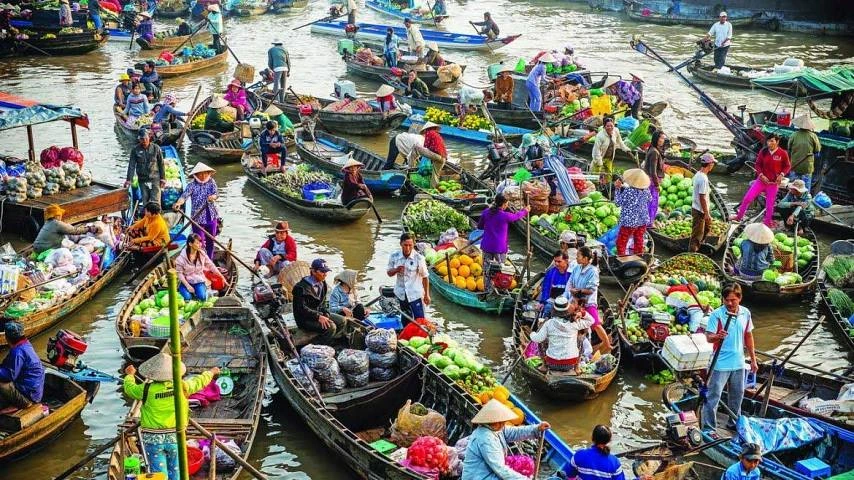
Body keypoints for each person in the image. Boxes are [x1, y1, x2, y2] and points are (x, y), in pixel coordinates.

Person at [123, 353, 219, 480]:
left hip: (153, 440)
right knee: (176, 472)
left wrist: (130, 375)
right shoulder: (181, 386)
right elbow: (198, 381)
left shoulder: (146, 389)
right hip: (175, 437)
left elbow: (130, 389)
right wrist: (211, 372)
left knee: (160, 475)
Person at [703, 283, 757, 430]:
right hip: (720, 363)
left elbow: (748, 336)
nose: (729, 303)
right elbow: (709, 337)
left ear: (739, 298)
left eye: (733, 300)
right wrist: (718, 336)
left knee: (737, 396)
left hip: (738, 362)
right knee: (713, 397)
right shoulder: (717, 315)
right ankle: (709, 428)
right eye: (726, 300)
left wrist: (753, 359)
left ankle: (733, 423)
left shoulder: (745, 313)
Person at [462, 399, 549, 480]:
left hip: (490, 469)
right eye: (501, 421)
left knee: (526, 463)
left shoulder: (496, 429)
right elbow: (501, 470)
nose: (503, 423)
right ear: (494, 422)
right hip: (480, 477)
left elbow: (515, 432)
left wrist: (537, 428)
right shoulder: (486, 439)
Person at [732, 134, 791, 227]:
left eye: (772, 141)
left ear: (777, 142)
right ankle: (739, 217)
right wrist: (761, 175)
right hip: (761, 181)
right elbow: (757, 165)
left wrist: (782, 174)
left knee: (770, 204)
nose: (769, 143)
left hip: (773, 183)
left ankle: (767, 222)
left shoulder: (783, 153)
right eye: (768, 141)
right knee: (747, 198)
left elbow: (787, 166)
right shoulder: (763, 151)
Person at [529, 296, 595, 372]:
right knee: (580, 339)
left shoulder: (549, 323)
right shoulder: (575, 323)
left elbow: (537, 339)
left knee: (541, 341)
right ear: (568, 309)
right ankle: (577, 367)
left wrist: (532, 334)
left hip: (552, 363)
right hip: (571, 364)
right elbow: (591, 321)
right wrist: (583, 313)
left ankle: (544, 366)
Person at [477, 194, 528, 292]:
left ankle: (488, 290)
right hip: (499, 249)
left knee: (487, 270)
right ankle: (500, 289)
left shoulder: (486, 212)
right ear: (504, 204)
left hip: (487, 246)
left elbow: (480, 226)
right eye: (507, 203)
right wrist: (525, 211)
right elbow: (517, 216)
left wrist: (489, 227)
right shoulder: (505, 216)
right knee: (501, 270)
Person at [565, 246, 611, 353]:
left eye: (578, 256)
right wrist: (572, 291)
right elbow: (570, 282)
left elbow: (592, 289)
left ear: (585, 258)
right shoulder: (577, 268)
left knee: (595, 323)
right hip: (576, 299)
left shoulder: (593, 271)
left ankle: (607, 344)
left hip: (588, 301)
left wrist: (579, 291)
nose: (576, 258)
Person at [292, 258, 346, 344]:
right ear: (313, 271)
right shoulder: (300, 288)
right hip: (305, 319)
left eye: (326, 272)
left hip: (318, 313)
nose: (325, 275)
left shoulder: (322, 283)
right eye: (322, 272)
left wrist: (326, 314)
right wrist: (318, 317)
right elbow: (301, 309)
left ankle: (328, 339)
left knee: (342, 321)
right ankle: (316, 346)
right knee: (331, 327)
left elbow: (324, 303)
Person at [172, 163, 219, 258]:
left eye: (205, 173)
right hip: (197, 218)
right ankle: (200, 260)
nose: (203, 176)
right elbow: (184, 196)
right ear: (196, 175)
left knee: (211, 240)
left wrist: (212, 197)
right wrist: (178, 203)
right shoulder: (192, 185)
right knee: (198, 243)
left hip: (211, 216)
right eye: (200, 174)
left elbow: (216, 194)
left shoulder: (211, 182)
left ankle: (209, 260)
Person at [0, 321, 45, 410]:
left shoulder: (17, 352)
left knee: (2, 384)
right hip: (33, 390)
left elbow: (9, 375)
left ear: (7, 337)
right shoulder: (25, 344)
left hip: (29, 395)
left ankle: (25, 403)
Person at [386, 232, 430, 320]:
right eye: (405, 245)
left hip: (415, 294)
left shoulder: (419, 258)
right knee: (405, 319)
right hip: (401, 294)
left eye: (410, 245)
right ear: (400, 244)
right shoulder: (394, 256)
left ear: (414, 244)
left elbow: (425, 277)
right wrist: (396, 270)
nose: (408, 248)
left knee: (420, 320)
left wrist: (427, 295)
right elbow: (389, 273)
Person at [175, 233, 227, 301]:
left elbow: (211, 265)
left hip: (198, 280)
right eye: (197, 243)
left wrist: (221, 276)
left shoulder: (202, 254)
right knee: (187, 298)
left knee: (202, 297)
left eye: (200, 242)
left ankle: (206, 292)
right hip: (186, 281)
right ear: (190, 244)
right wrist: (188, 286)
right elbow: (179, 274)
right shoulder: (181, 258)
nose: (200, 244)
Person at [33, 204, 100, 254]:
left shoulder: (48, 222)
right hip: (44, 249)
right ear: (57, 215)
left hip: (36, 247)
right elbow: (74, 231)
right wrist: (88, 229)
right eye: (60, 215)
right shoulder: (57, 224)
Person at [614, 169, 652, 256]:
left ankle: (622, 258)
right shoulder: (646, 190)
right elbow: (650, 199)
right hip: (642, 220)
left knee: (621, 242)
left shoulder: (629, 191)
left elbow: (617, 203)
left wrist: (617, 189)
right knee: (639, 240)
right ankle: (638, 257)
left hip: (630, 221)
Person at [125, 129, 165, 207]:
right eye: (142, 139)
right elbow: (131, 166)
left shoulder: (156, 148)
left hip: (155, 179)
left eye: (146, 138)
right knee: (145, 201)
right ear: (139, 139)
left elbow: (161, 164)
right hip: (142, 180)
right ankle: (146, 217)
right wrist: (129, 180)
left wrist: (163, 178)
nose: (144, 140)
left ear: (149, 137)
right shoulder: (135, 150)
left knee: (156, 201)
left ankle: (157, 216)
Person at [591, 116, 632, 185]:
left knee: (609, 175)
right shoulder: (600, 136)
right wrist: (599, 162)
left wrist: (626, 149)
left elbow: (620, 141)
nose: (610, 127)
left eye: (611, 126)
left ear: (613, 125)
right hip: (599, 157)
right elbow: (596, 150)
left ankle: (607, 186)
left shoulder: (616, 131)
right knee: (596, 175)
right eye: (607, 126)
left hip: (609, 157)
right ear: (604, 126)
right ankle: (595, 186)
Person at [787, 114, 821, 192]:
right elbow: (817, 151)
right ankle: (805, 202)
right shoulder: (813, 136)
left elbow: (789, 148)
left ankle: (792, 200)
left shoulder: (794, 135)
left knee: (793, 187)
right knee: (805, 188)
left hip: (795, 165)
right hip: (807, 167)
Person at [690, 153, 716, 252]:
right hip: (699, 210)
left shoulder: (698, 174)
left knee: (707, 228)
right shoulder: (703, 179)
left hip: (698, 208)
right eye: (713, 163)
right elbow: (702, 197)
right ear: (710, 165)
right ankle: (692, 253)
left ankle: (700, 247)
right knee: (696, 236)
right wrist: (706, 213)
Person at [643, 130, 667, 225]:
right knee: (652, 203)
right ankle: (648, 223)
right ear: (656, 138)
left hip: (650, 181)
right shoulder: (654, 152)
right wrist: (657, 185)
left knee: (650, 202)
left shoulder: (654, 149)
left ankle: (648, 221)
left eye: (663, 139)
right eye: (661, 138)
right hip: (652, 182)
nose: (662, 140)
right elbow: (653, 171)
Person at [420, 122, 447, 187]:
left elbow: (425, 146)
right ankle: (436, 188)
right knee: (435, 175)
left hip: (437, 156)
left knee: (415, 147)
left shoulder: (429, 132)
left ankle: (410, 165)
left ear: (427, 128)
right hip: (443, 158)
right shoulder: (437, 135)